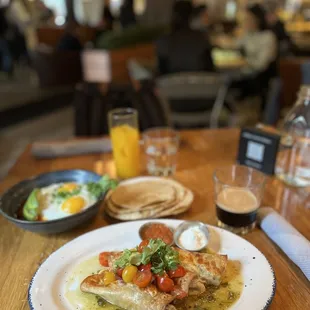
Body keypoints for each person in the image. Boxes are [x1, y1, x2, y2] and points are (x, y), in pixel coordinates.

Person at [229, 4, 278, 100]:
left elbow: (261, 65)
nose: (245, 21)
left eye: (248, 18)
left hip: (258, 78)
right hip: (243, 73)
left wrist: (245, 61)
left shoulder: (268, 37)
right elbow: (235, 46)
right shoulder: (248, 34)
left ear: (257, 19)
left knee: (227, 84)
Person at [156, 1, 214, 75]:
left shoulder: (165, 40)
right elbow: (210, 69)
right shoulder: (201, 37)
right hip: (199, 84)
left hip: (172, 84)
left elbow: (162, 73)